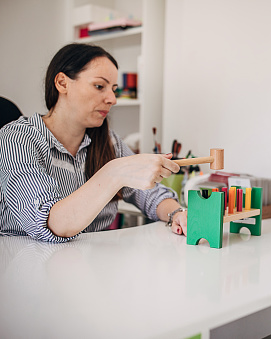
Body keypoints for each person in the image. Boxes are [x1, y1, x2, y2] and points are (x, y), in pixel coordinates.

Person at [0, 43, 188, 242]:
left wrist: (176, 214)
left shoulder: (108, 141)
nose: (112, 99)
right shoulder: (16, 138)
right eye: (99, 86)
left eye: (114, 89)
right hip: (26, 262)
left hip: (92, 262)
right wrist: (114, 173)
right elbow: (51, 223)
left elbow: (152, 195)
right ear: (62, 83)